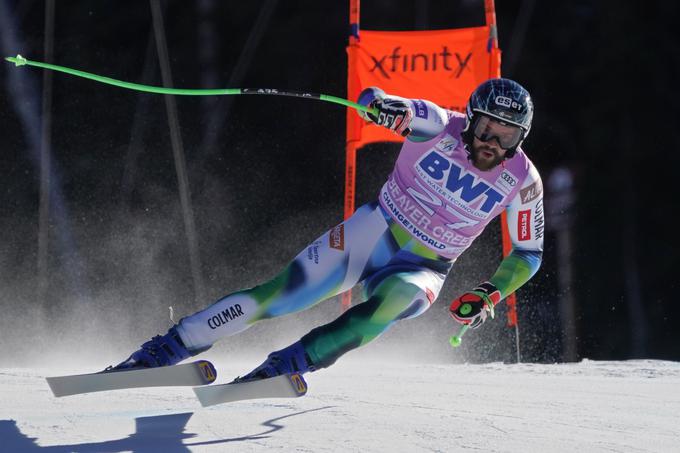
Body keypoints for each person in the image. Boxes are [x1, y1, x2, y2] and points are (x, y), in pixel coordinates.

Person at [112, 78, 544, 381]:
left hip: (425, 267)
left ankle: (290, 363)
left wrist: (489, 292)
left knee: (391, 305)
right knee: (284, 296)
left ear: (520, 138)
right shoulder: (439, 124)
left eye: (507, 136)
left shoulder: (524, 181)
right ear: (471, 119)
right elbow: (376, 97)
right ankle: (171, 345)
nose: (493, 143)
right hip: (373, 231)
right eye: (487, 128)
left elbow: (528, 252)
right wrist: (382, 108)